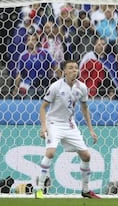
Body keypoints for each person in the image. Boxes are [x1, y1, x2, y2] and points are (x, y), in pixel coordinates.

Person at [35, 60, 100, 199]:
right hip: (54, 123)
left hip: (70, 125)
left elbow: (84, 108)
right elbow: (43, 107)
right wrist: (44, 127)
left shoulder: (81, 87)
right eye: (70, 68)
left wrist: (91, 129)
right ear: (64, 70)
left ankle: (86, 190)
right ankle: (39, 189)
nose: (74, 70)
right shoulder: (55, 87)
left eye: (76, 68)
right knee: (51, 152)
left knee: (86, 156)